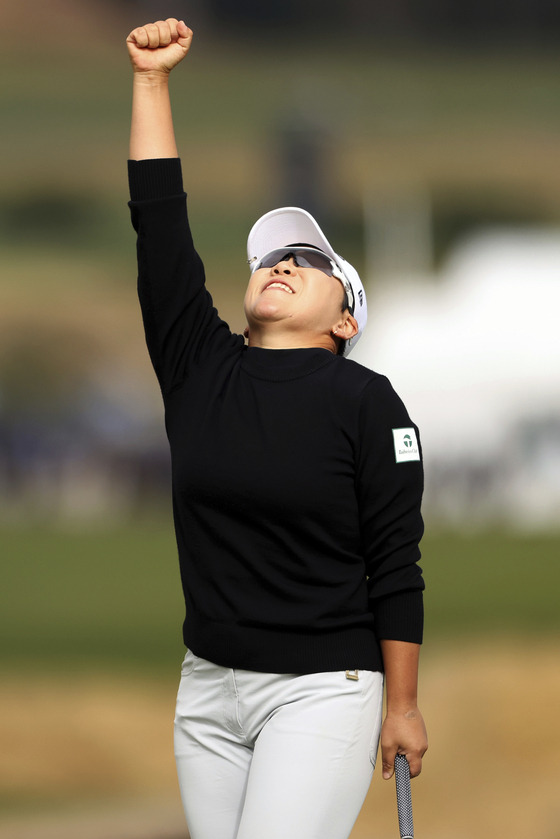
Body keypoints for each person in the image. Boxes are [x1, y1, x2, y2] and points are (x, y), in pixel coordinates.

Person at [126, 18, 427, 839]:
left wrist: (402, 705)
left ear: (347, 321)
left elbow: (395, 565)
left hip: (323, 687)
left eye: (314, 260)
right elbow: (159, 224)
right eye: (273, 256)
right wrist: (151, 80)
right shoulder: (199, 366)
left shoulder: (369, 403)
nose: (285, 262)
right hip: (208, 690)